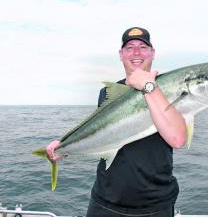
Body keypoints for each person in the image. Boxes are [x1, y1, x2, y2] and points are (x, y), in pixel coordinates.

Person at [46, 27, 187, 217]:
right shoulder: (108, 93)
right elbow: (99, 132)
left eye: (142, 47)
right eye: (129, 48)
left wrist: (149, 86)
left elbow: (177, 139)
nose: (136, 52)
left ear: (152, 53)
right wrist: (65, 146)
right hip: (105, 200)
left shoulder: (170, 88)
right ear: (121, 55)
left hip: (156, 204)